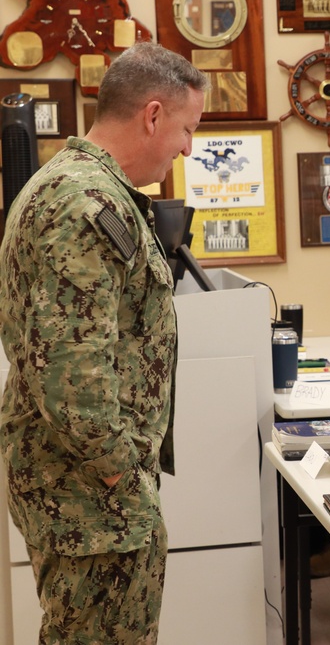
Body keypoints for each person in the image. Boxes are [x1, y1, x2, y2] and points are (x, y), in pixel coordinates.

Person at [0, 43, 209, 643]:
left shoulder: (79, 186)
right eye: (186, 129)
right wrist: (121, 472)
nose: (187, 147)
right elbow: (71, 370)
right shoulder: (84, 203)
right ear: (151, 115)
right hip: (90, 493)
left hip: (83, 484)